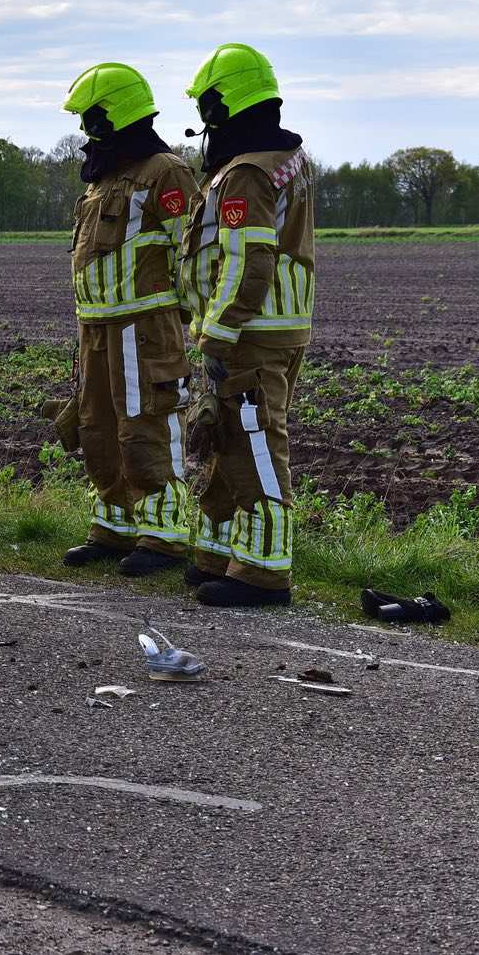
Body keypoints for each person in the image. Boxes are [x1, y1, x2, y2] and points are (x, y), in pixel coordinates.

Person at [177, 44, 316, 607]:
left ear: (223, 105)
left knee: (253, 442)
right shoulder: (285, 159)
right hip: (272, 326)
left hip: (250, 332)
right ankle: (220, 554)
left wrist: (217, 334)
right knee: (225, 439)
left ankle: (262, 574)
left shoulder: (247, 175)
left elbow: (246, 261)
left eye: (207, 107)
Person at [53, 65, 199, 576]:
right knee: (98, 427)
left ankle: (162, 535)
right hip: (96, 326)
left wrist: (186, 316)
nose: (85, 129)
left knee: (146, 426)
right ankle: (113, 526)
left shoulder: (167, 172)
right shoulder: (104, 178)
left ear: (114, 113)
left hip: (145, 325)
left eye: (90, 116)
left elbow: (195, 250)